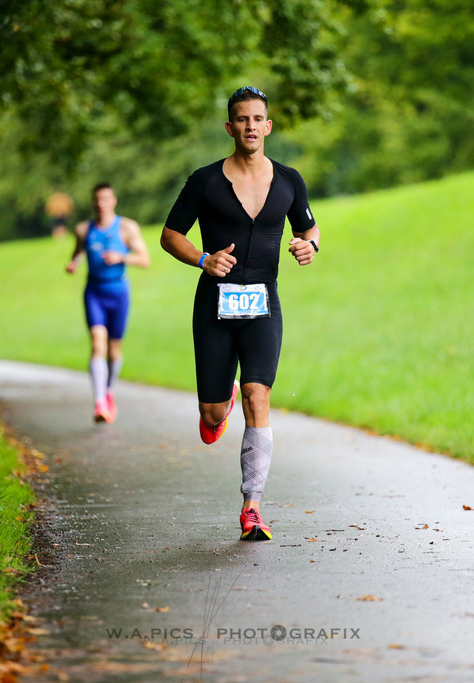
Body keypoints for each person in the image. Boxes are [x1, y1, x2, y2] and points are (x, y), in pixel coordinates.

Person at [160, 86, 320, 541]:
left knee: (259, 395)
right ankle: (220, 400)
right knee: (211, 418)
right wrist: (201, 259)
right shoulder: (205, 181)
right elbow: (170, 235)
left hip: (263, 303)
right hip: (214, 304)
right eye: (242, 119)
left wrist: (309, 246)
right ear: (230, 127)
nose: (251, 126)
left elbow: (309, 229)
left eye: (258, 119)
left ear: (268, 126)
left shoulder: (289, 180)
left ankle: (252, 507)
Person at [66, 182, 151, 423]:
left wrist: (121, 256)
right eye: (97, 200)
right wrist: (74, 263)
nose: (101, 205)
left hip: (119, 293)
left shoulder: (126, 228)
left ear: (113, 201)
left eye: (105, 199)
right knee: (97, 344)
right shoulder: (83, 229)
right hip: (94, 292)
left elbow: (145, 259)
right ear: (93, 203)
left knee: (114, 351)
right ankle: (100, 401)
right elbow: (79, 250)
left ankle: (109, 391)